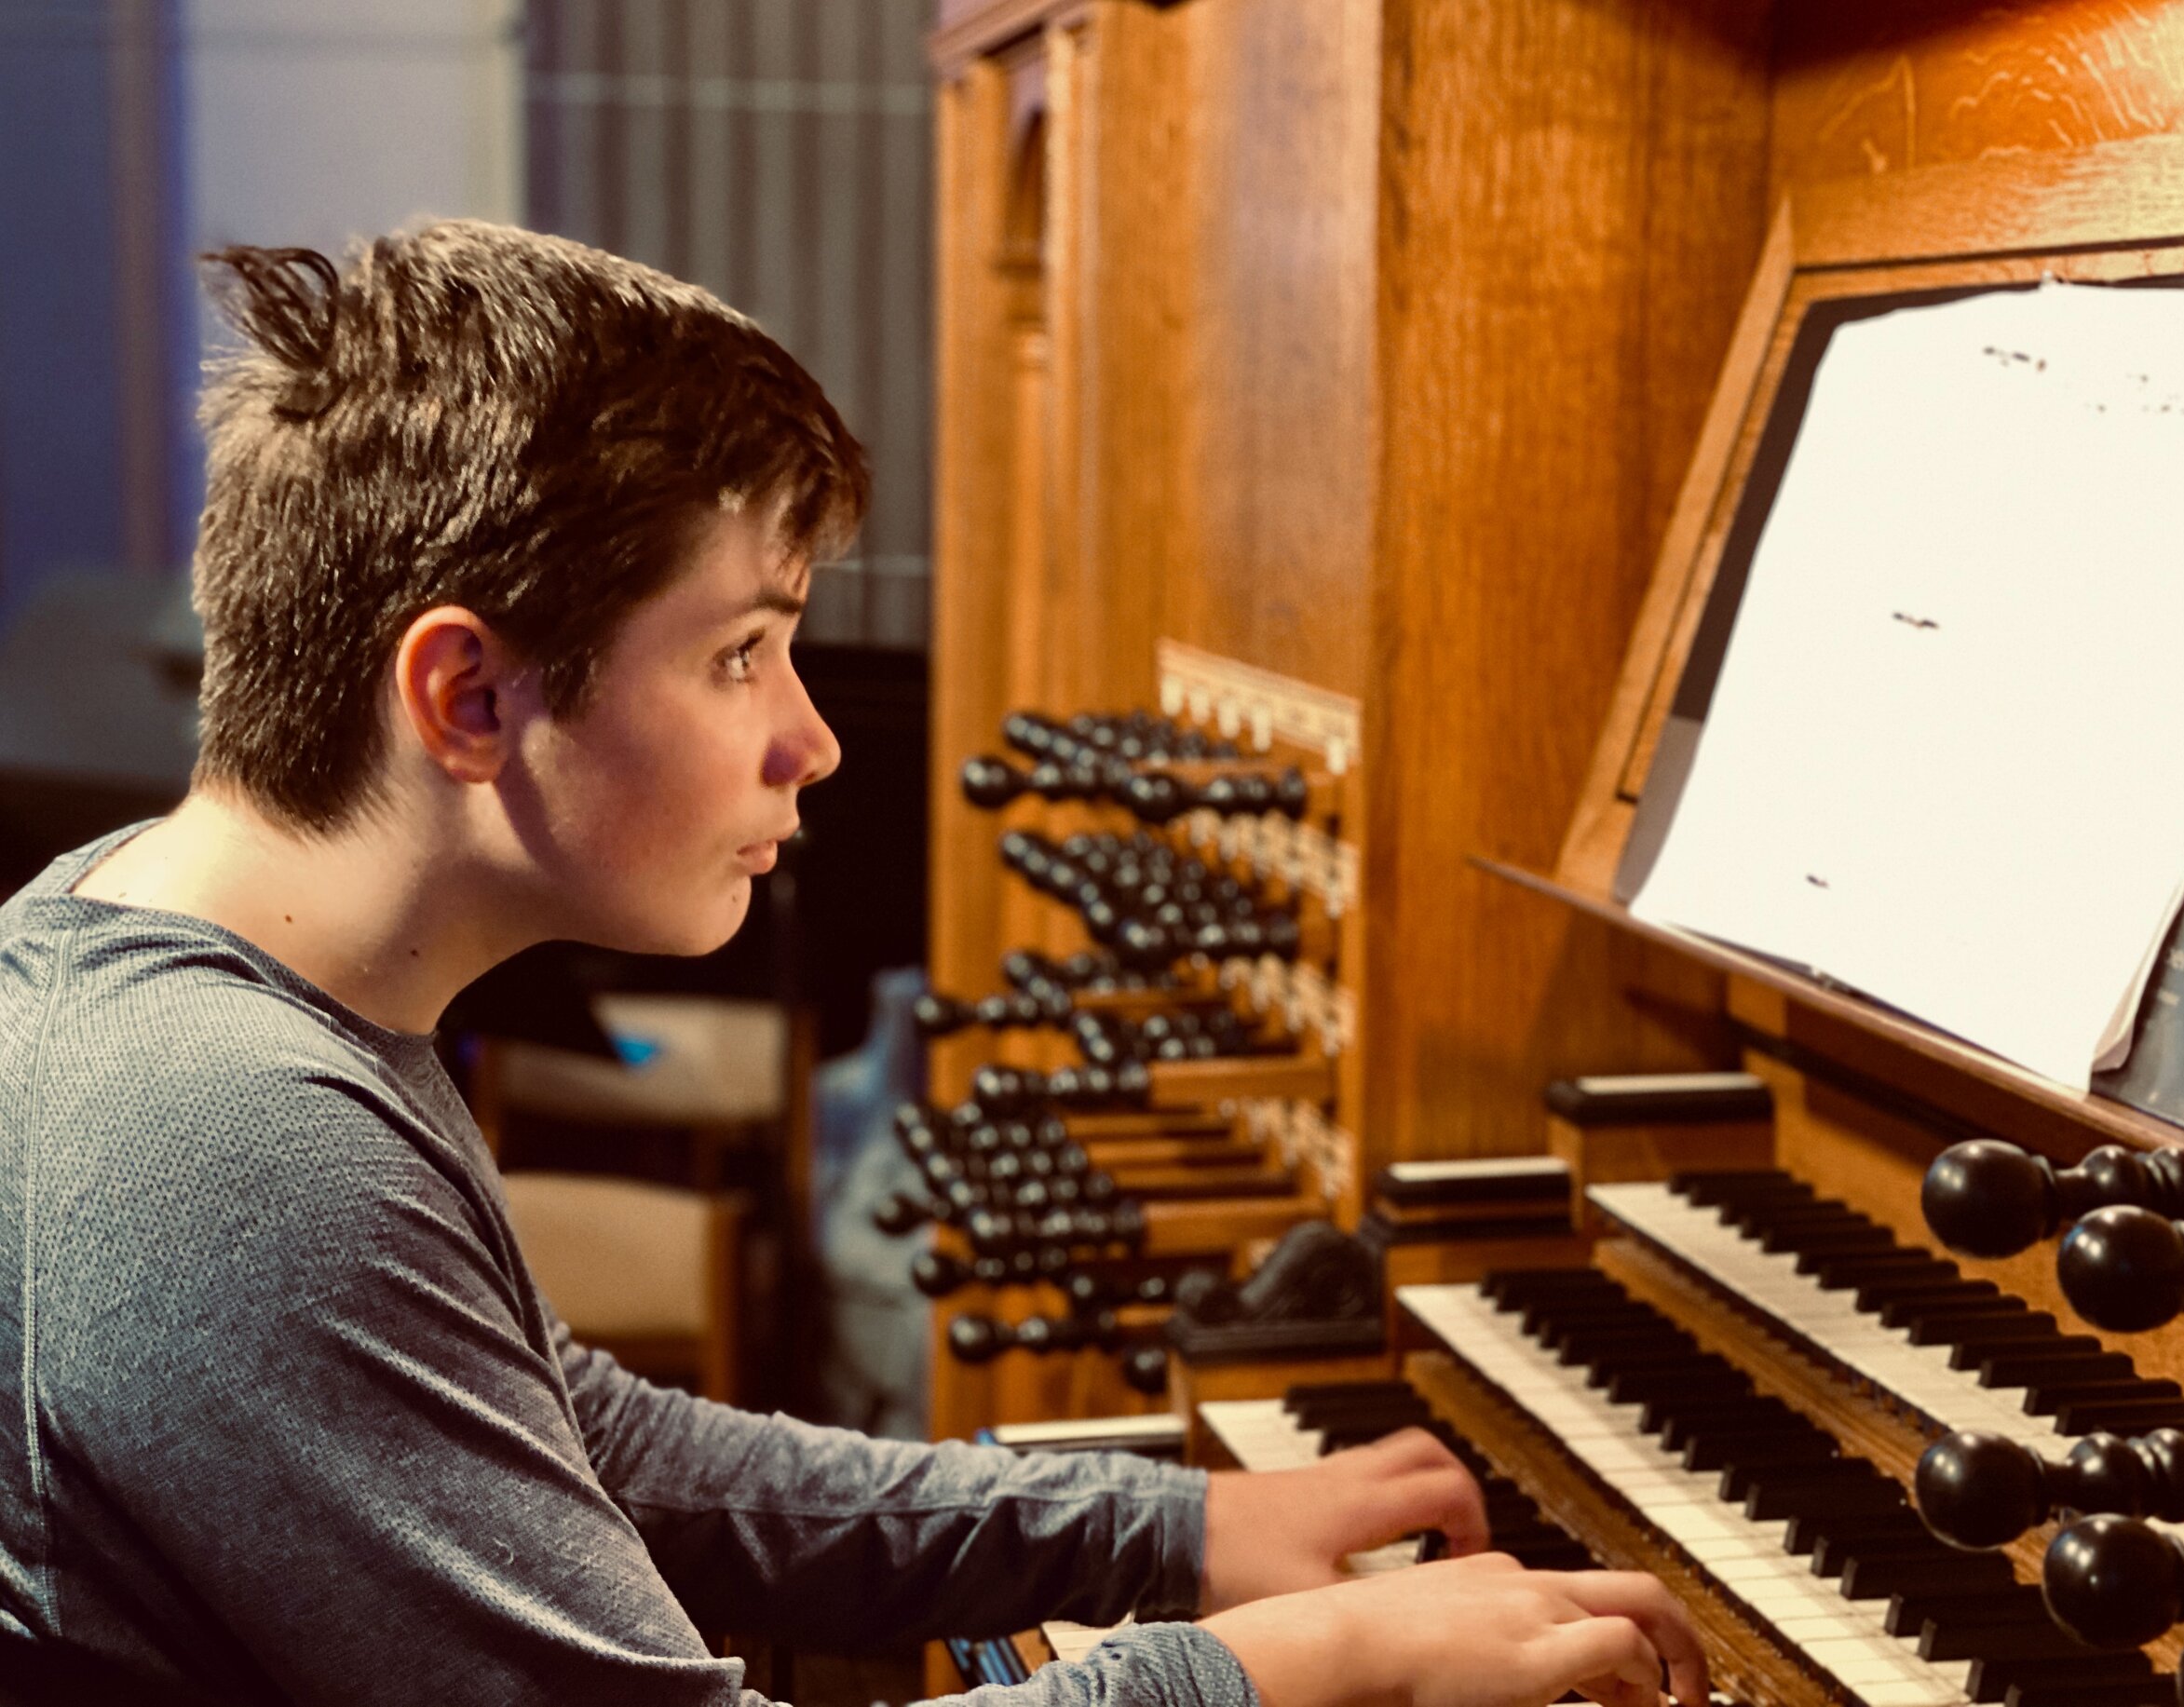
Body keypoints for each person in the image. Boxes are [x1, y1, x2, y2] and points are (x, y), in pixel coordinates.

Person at [0, 221, 1708, 1707]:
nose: (812, 739)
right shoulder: (224, 1142)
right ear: (468, 697)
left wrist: (1173, 1527)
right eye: (741, 650)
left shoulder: (162, 952)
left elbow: (583, 1442)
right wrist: (1313, 1662)